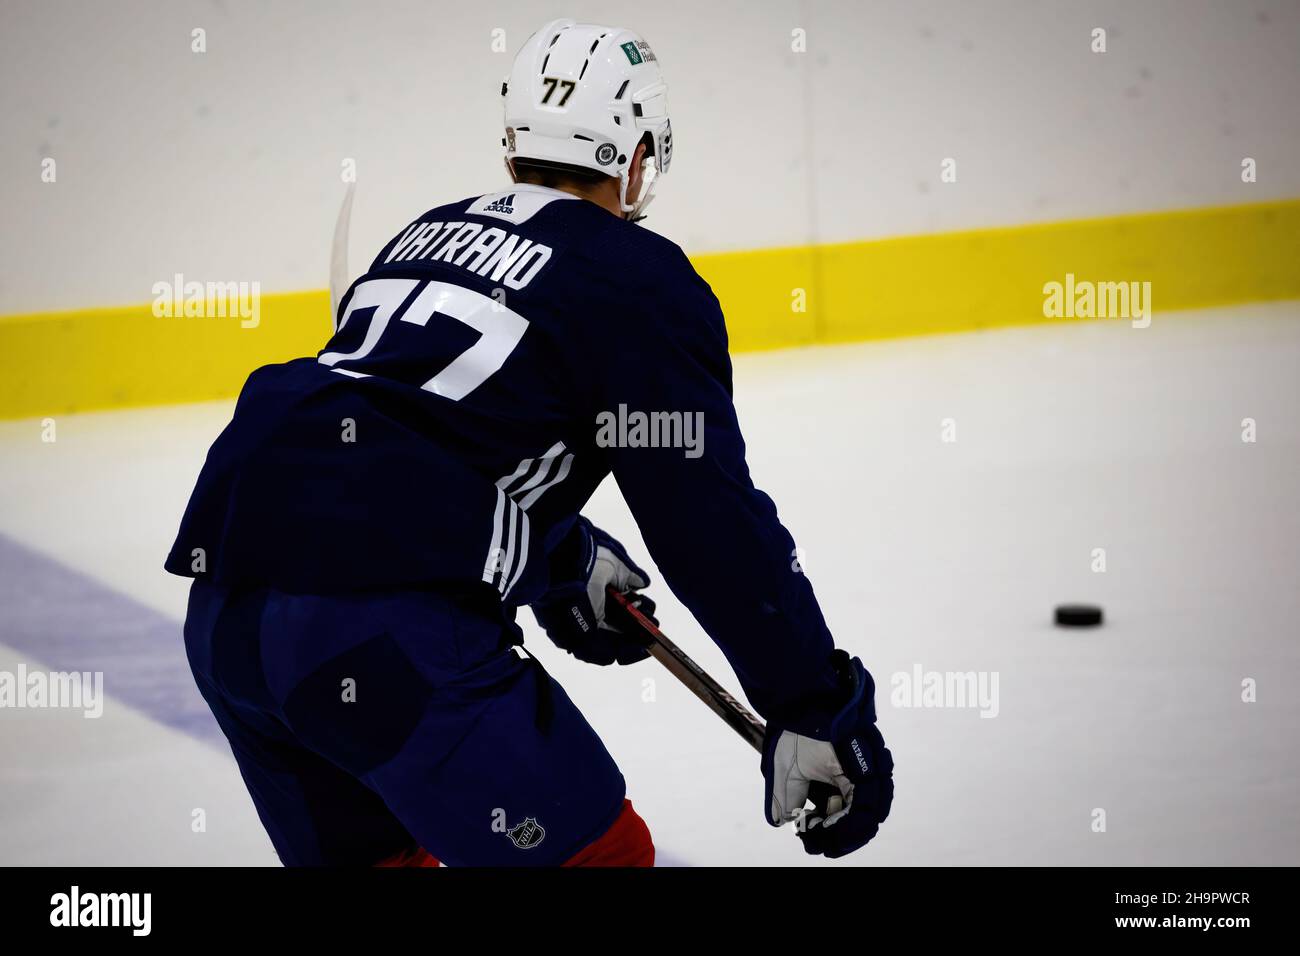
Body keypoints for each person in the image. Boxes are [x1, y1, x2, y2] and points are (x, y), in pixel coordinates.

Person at [167, 18, 892, 867]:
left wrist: (558, 553)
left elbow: (416, 443)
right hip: (376, 636)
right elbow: (707, 523)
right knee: (600, 860)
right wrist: (813, 699)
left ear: (513, 148)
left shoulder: (424, 234)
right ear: (635, 158)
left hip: (226, 619)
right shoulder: (638, 277)